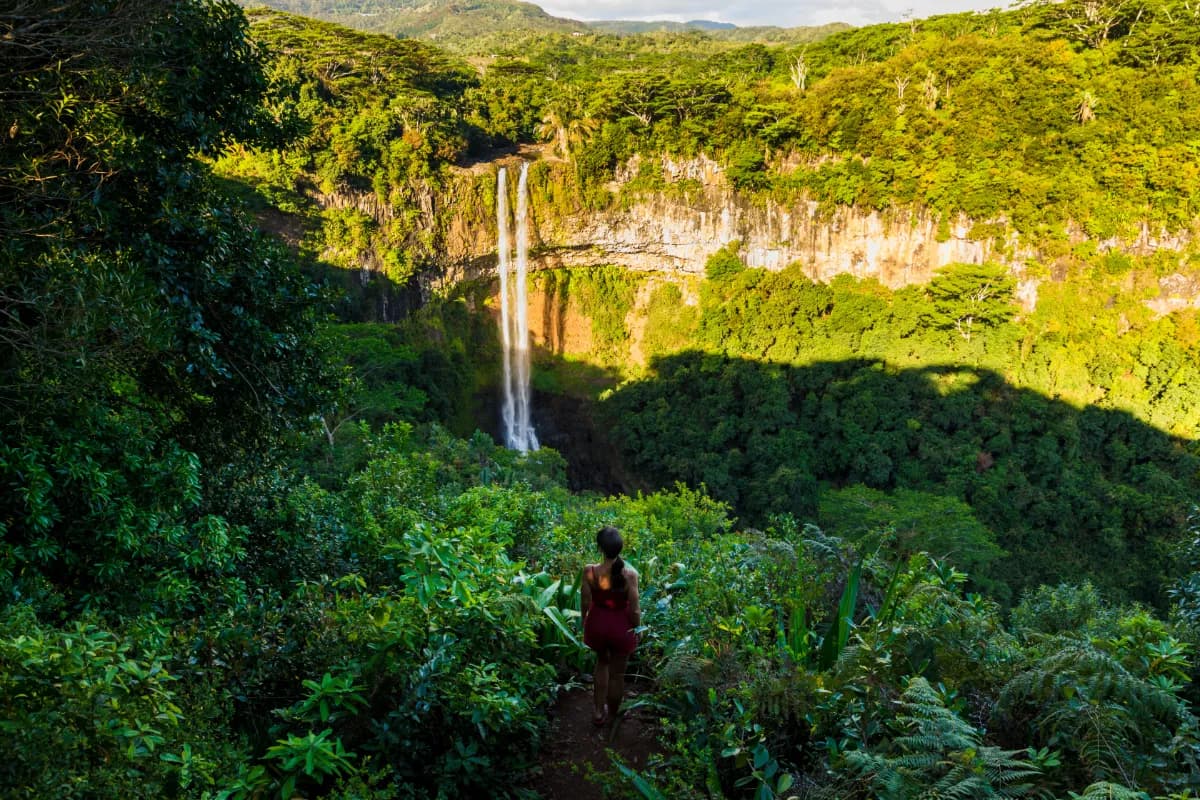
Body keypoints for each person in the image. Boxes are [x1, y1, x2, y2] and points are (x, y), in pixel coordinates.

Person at [580, 525, 641, 727]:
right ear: (620, 548)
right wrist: (637, 629)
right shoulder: (629, 575)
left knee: (602, 664)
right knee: (617, 674)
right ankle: (614, 713)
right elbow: (634, 609)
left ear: (600, 548)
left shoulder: (589, 571)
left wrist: (584, 622)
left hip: (597, 623)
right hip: (620, 627)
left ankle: (598, 712)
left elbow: (585, 601)